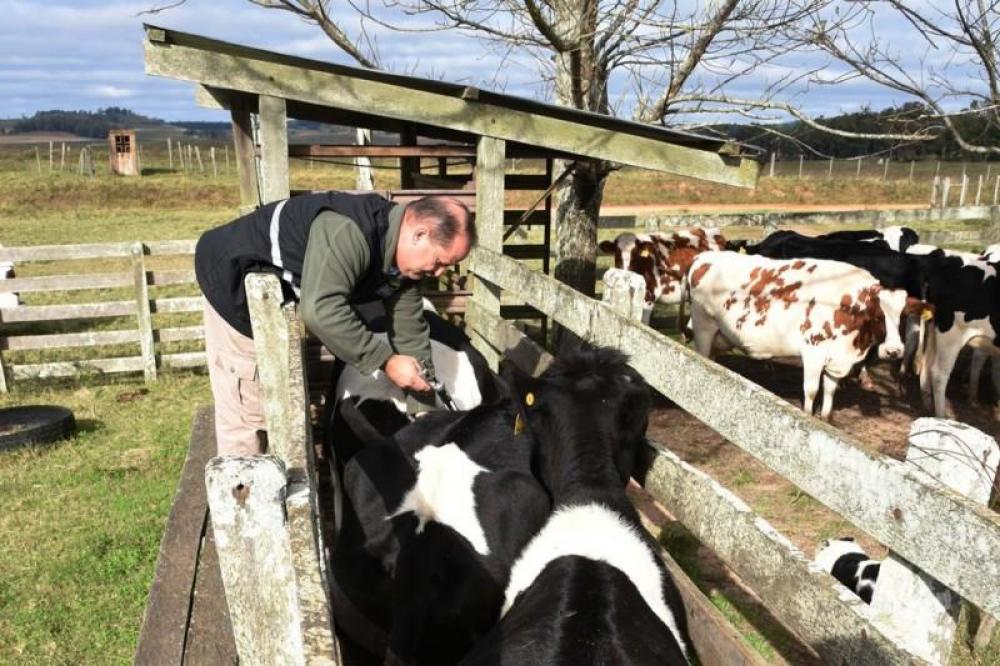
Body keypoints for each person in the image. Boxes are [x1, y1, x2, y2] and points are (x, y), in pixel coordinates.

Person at [195, 192, 476, 455]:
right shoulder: (349, 233)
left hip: (276, 293)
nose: (438, 273)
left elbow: (410, 331)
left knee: (280, 398)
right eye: (439, 261)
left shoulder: (402, 265)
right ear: (419, 234)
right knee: (250, 410)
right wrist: (386, 361)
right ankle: (241, 486)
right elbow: (321, 310)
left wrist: (424, 411)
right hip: (235, 281)